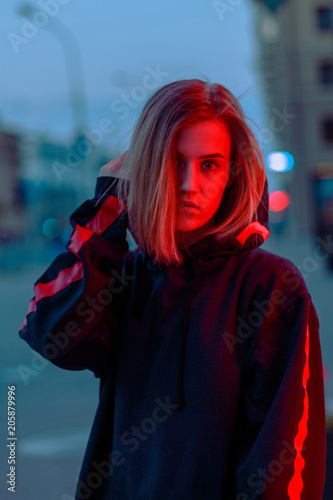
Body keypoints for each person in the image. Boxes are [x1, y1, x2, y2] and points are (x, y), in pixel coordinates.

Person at [19, 79, 326, 499]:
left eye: (209, 165)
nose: (187, 184)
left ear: (234, 173)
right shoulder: (124, 278)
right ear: (145, 167)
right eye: (172, 161)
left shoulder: (272, 285)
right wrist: (106, 211)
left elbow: (286, 455)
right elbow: (53, 336)